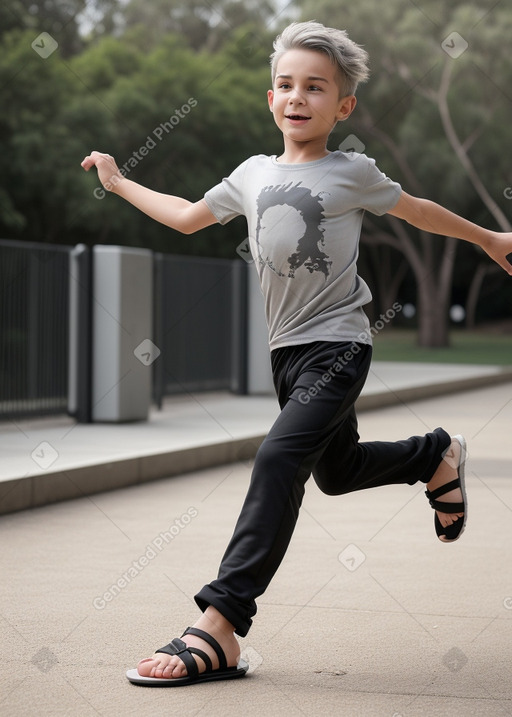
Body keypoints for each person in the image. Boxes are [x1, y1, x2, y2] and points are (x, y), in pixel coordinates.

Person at [82, 21, 512, 687]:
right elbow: (188, 215)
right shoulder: (252, 175)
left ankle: (220, 625)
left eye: (315, 87)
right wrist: (117, 183)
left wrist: (488, 238)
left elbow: (419, 210)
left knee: (279, 456)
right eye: (286, 85)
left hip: (340, 344)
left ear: (343, 107)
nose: (297, 97)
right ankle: (433, 455)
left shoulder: (352, 172)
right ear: (270, 97)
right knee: (334, 473)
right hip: (287, 353)